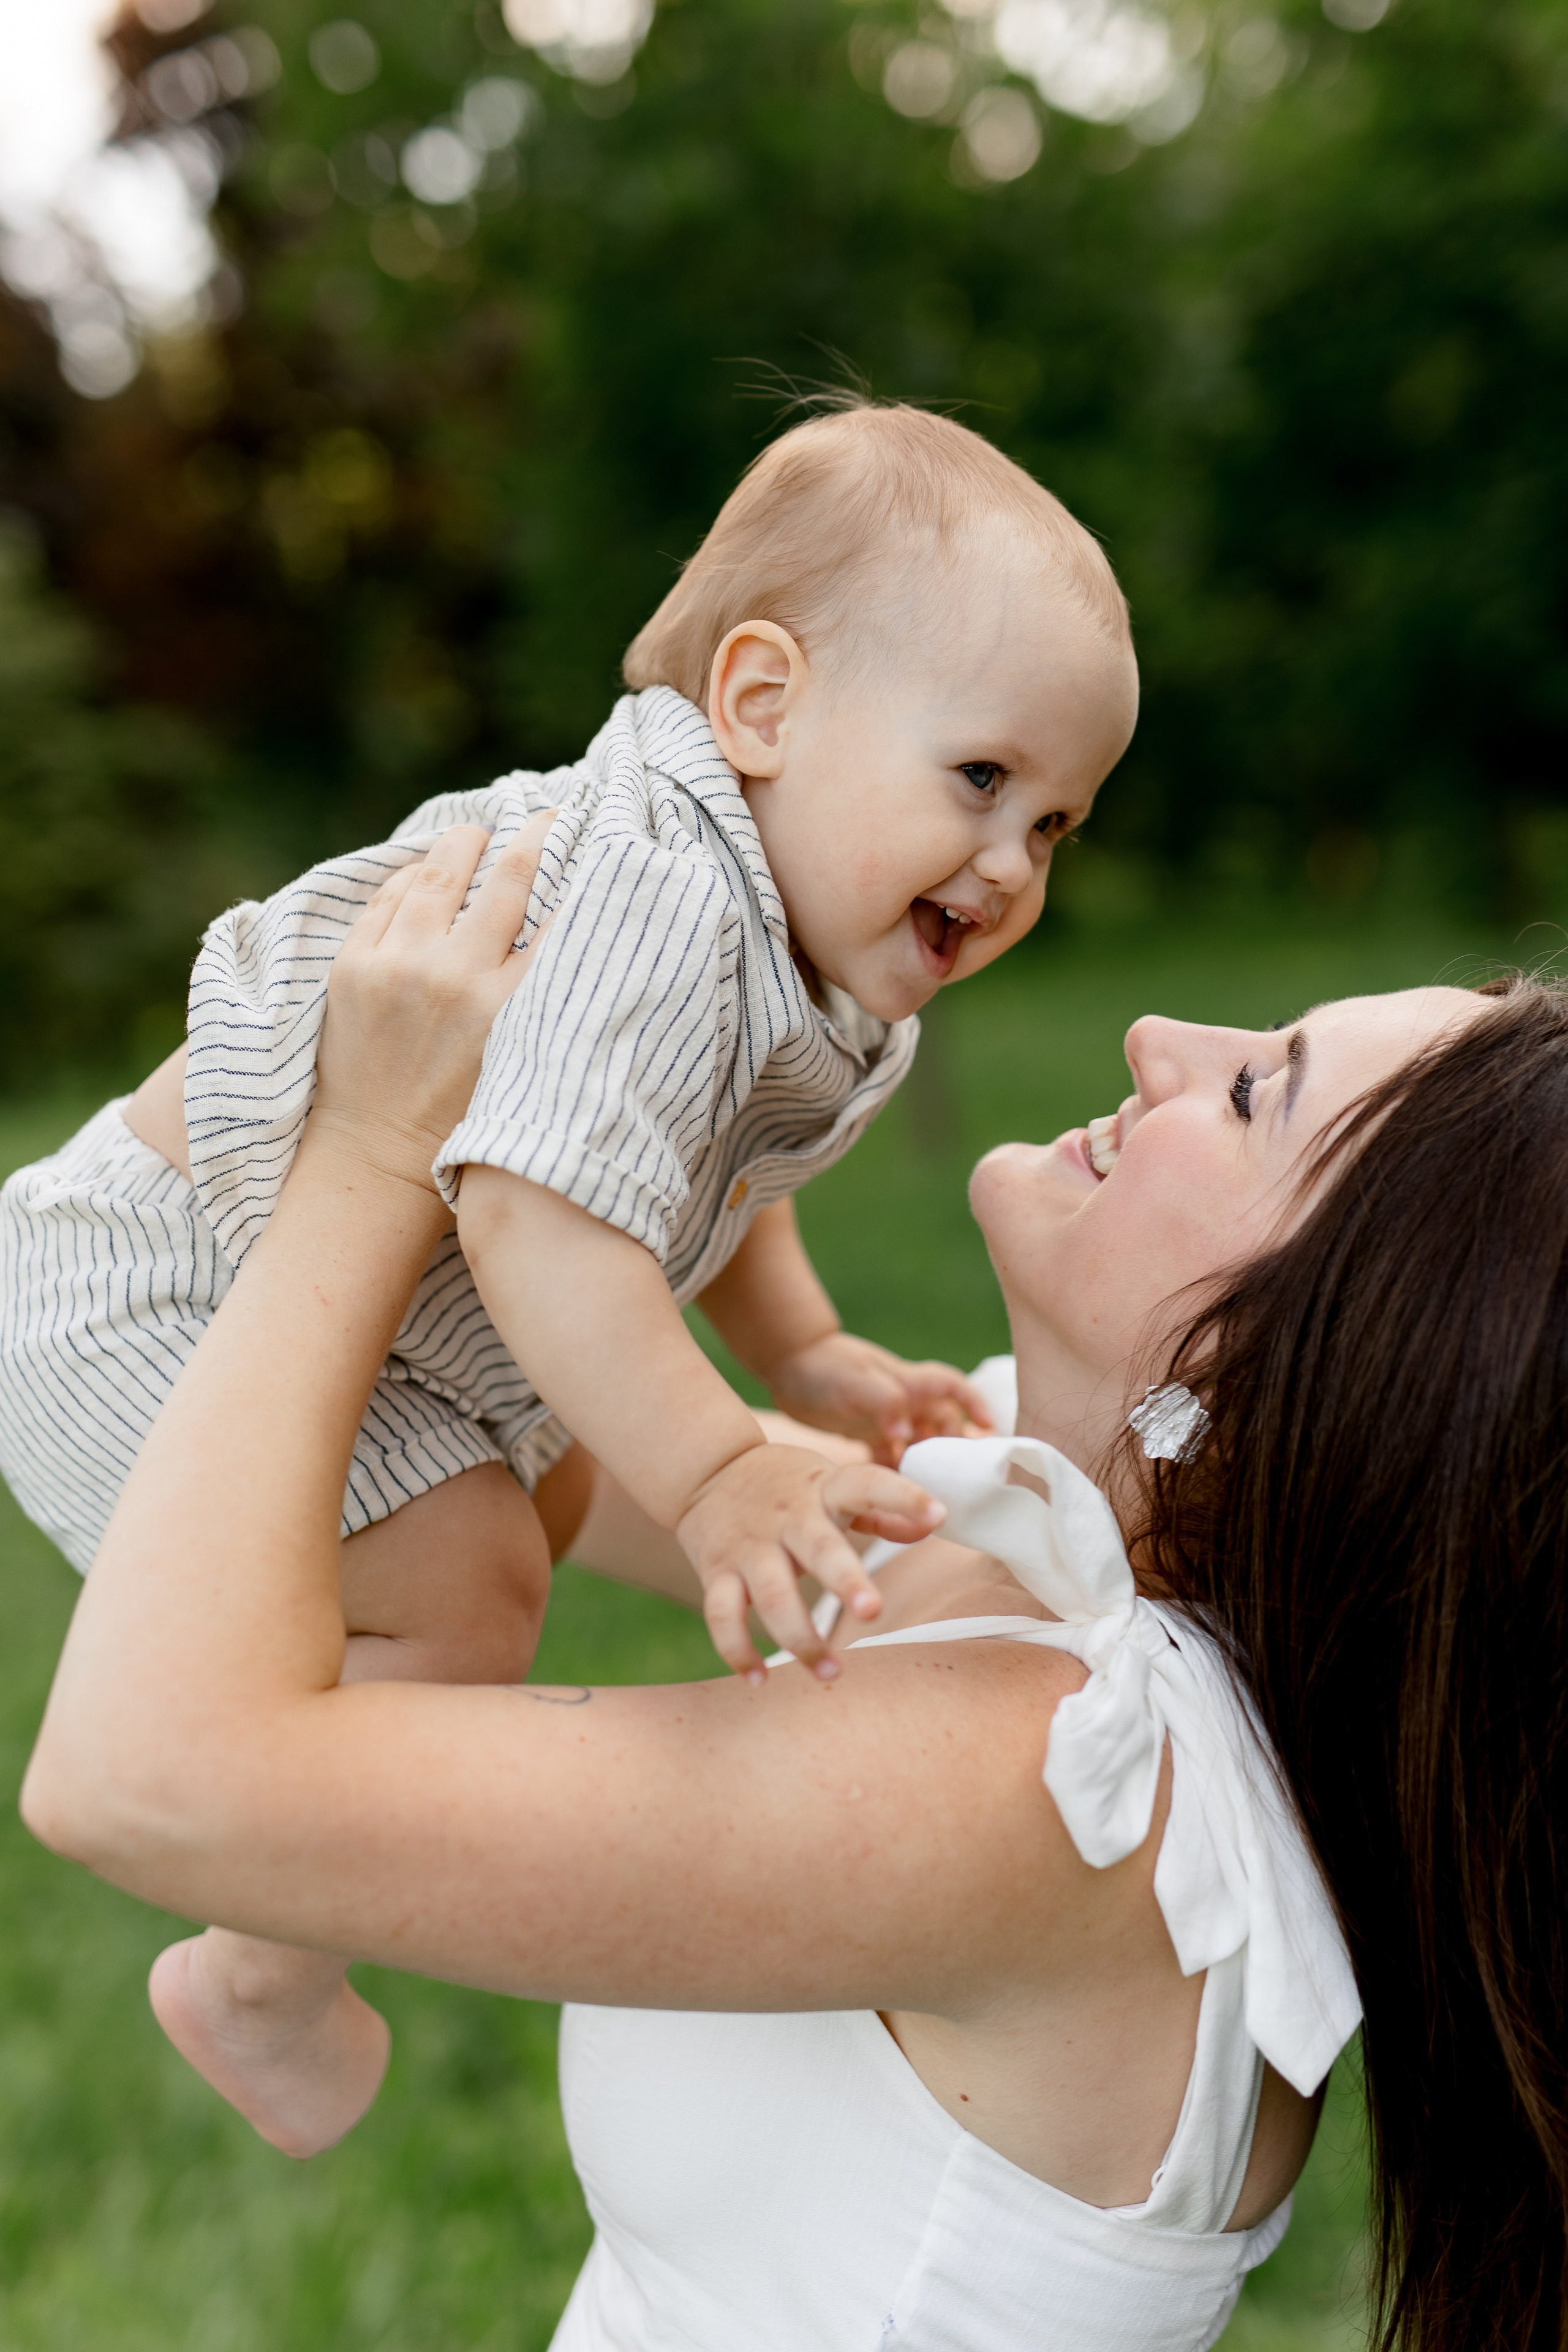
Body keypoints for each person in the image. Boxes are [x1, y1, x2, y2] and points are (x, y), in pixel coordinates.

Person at [28, 829, 1567, 2352]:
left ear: (1315, 1364)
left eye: (1252, 1091)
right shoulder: (1040, 1542)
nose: (1160, 1037)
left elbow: (148, 1777)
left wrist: (360, 1161)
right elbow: (536, 1461)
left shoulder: (1053, 1788)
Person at [0, 400, 1139, 2154]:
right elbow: (542, 1209)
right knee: (473, 1589)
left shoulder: (821, 945)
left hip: (394, 1324)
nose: (1008, 864)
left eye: (1057, 824)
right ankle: (252, 1968)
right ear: (762, 706)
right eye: (981, 779)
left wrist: (808, 1355)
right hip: (166, 1277)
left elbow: (710, 1164)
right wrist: (716, 1467)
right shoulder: (663, 891)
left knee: (549, 1505)